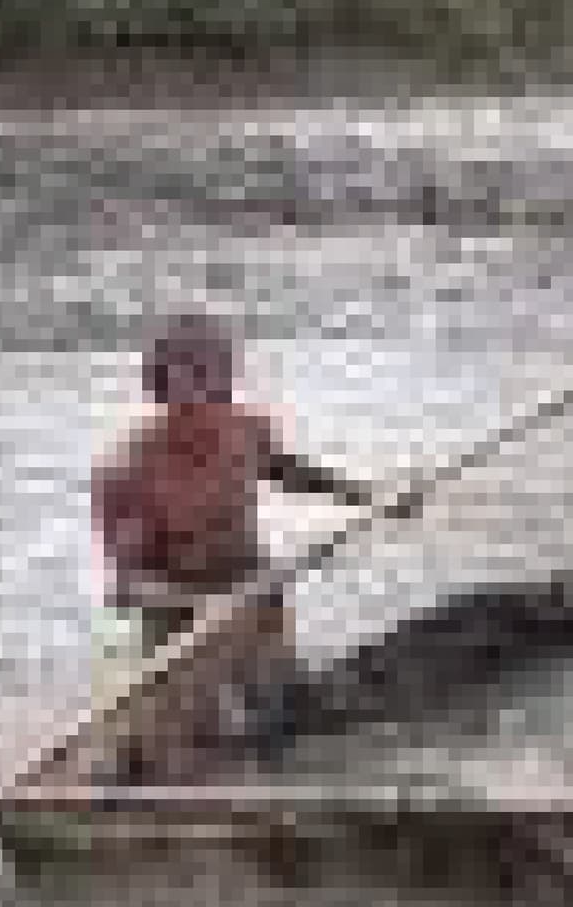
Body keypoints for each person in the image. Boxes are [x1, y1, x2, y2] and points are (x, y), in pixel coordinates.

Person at [91, 314, 402, 767]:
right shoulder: (131, 475)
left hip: (254, 594)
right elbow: (124, 590)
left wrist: (365, 497)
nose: (209, 405)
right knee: (179, 748)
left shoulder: (246, 432)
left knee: (280, 717)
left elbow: (285, 470)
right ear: (158, 393)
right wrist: (202, 605)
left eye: (218, 387)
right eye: (190, 388)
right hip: (180, 620)